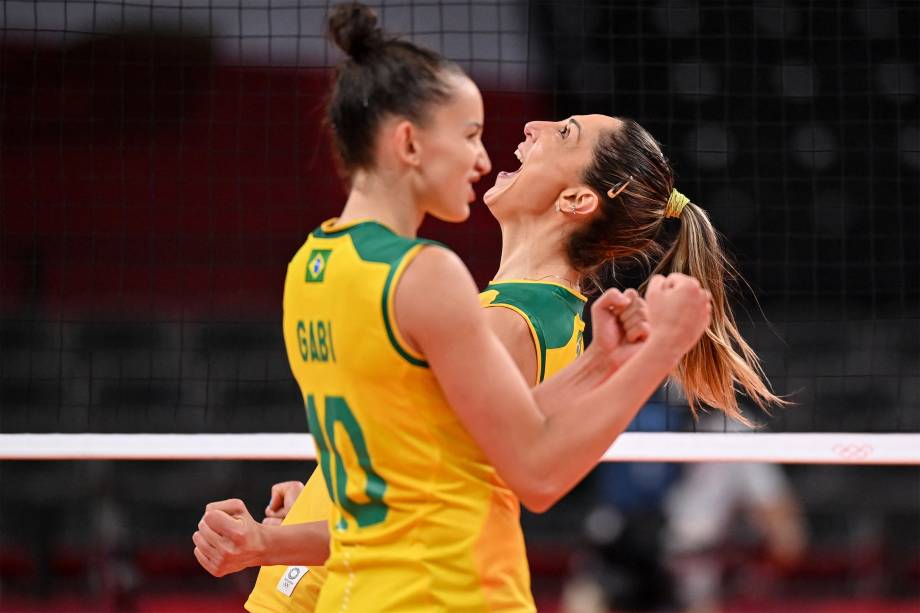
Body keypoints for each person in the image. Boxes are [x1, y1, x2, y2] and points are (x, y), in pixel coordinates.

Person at [191, 4, 768, 612]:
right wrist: (331, 485)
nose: (525, 131)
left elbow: (464, 489)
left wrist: (272, 542)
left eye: (564, 132)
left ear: (576, 198)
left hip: (406, 590)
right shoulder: (521, 308)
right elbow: (424, 464)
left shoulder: (499, 312)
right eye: (469, 135)